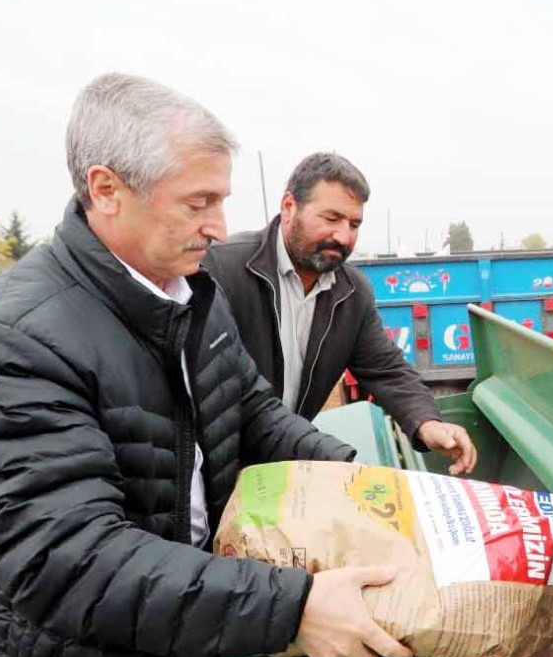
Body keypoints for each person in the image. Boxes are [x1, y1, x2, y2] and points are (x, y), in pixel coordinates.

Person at [0, 74, 412, 657]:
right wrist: (293, 609)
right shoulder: (15, 342)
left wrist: (357, 478)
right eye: (199, 202)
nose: (220, 226)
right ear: (107, 190)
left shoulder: (186, 291)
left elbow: (251, 410)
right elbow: (71, 560)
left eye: (221, 200)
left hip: (194, 621)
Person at [205, 152, 478, 474]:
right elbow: (224, 393)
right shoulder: (224, 270)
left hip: (280, 464)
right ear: (289, 207)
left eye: (354, 224)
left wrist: (427, 423)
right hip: (217, 468)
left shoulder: (351, 291)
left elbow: (386, 368)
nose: (344, 236)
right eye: (331, 219)